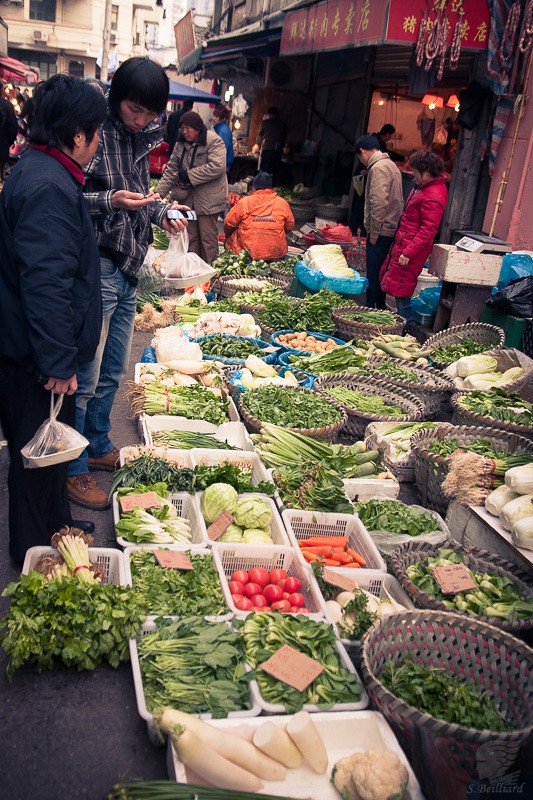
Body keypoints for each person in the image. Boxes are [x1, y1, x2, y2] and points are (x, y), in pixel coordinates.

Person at [66, 57, 188, 511]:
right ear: (117, 99)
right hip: (98, 263)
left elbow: (142, 196)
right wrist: (109, 200)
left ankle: (97, 444)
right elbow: (69, 193)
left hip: (130, 267)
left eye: (149, 114)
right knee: (86, 371)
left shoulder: (143, 138)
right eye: (134, 110)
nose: (140, 120)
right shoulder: (94, 131)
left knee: (114, 370)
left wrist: (162, 213)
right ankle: (72, 466)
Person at [0, 74, 108, 562]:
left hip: (33, 353)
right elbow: (46, 284)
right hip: (33, 360)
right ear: (76, 134)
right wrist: (60, 361)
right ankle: (35, 558)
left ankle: (57, 533)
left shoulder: (43, 171)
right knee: (35, 462)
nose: (99, 141)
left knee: (50, 455)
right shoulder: (47, 185)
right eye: (96, 131)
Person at [380, 150, 448, 326]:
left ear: (425, 173)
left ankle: (406, 328)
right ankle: (400, 325)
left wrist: (408, 253)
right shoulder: (424, 188)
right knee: (397, 288)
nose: (413, 175)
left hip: (410, 251)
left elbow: (427, 231)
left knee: (402, 291)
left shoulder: (433, 195)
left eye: (416, 172)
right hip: (404, 245)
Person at [156, 110, 227, 264]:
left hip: (208, 200)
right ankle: (193, 273)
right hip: (188, 200)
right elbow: (171, 169)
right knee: (191, 237)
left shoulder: (213, 140)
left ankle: (210, 274)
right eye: (183, 127)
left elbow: (217, 166)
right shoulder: (180, 144)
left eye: (188, 128)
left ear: (198, 128)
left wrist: (189, 175)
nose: (185, 131)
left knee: (207, 239)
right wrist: (158, 193)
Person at [354, 134, 403, 310]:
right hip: (390, 228)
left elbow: (378, 201)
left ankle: (372, 310)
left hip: (381, 230)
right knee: (380, 272)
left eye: (360, 158)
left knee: (374, 274)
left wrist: (374, 230)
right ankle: (378, 307)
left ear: (362, 152)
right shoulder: (390, 165)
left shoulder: (378, 168)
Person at [224, 171, 294, 260]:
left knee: (230, 238)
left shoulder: (245, 202)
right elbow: (289, 226)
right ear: (272, 188)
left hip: (247, 254)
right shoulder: (282, 203)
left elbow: (228, 223)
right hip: (276, 253)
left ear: (253, 188)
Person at [257, 106, 286, 185]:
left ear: (269, 114)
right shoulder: (283, 124)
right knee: (275, 173)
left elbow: (259, 135)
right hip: (278, 151)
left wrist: (260, 146)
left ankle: (263, 190)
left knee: (265, 172)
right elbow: (284, 137)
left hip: (268, 150)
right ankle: (273, 189)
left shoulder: (266, 123)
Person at [0, 80, 18, 183]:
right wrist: (7, 143)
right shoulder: (7, 105)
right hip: (2, 147)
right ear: (2, 90)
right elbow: (13, 128)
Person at [212, 103, 234, 172]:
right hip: (221, 163)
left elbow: (222, 149)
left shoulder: (223, 131)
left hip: (223, 164)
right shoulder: (219, 128)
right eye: (215, 116)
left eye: (217, 117)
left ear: (224, 118)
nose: (215, 118)